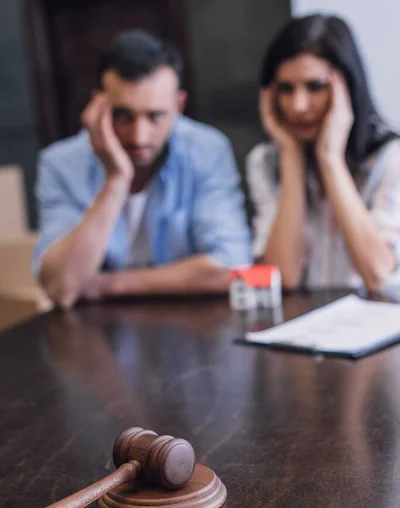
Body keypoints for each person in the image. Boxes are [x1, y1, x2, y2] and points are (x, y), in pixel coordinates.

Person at [33, 30, 251, 309]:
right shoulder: (59, 164)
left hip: (189, 328)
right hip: (96, 336)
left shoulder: (207, 150)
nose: (139, 136)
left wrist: (109, 284)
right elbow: (63, 289)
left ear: (179, 105)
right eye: (123, 115)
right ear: (99, 105)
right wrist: (116, 179)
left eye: (155, 116)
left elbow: (232, 267)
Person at [247, 14, 400, 290]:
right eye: (286, 89)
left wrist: (330, 160)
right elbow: (284, 279)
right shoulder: (266, 162)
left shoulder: (390, 158)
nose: (298, 106)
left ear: (347, 87)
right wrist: (291, 158)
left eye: (315, 86)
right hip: (305, 326)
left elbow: (378, 274)